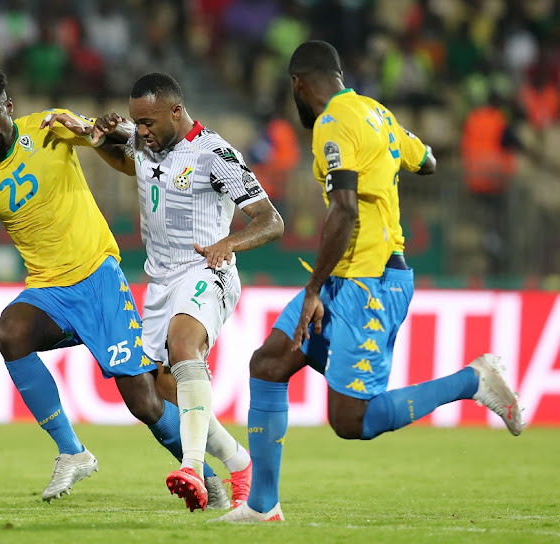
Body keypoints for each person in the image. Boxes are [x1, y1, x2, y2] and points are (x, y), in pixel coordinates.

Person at [213, 41, 523, 523]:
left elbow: (344, 208)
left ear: (298, 84)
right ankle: (261, 505)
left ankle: (474, 380)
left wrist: (313, 291)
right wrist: (389, 151)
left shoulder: (333, 124)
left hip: (370, 282)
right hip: (347, 275)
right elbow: (429, 161)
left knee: (350, 422)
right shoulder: (376, 113)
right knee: (269, 363)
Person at [0, 66, 229, 506]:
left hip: (98, 277)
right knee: (10, 331)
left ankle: (206, 478)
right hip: (48, 291)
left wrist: (109, 130)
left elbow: (109, 142)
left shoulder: (49, 127)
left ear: (9, 108)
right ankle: (72, 452)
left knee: (145, 405)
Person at [57, 72, 284, 511]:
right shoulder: (147, 145)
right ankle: (241, 464)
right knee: (163, 385)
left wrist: (228, 243)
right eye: (136, 122)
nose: (141, 131)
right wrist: (95, 135)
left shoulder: (215, 154)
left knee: (184, 349)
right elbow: (129, 162)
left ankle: (192, 468)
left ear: (176, 111)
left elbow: (271, 220)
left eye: (148, 122)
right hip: (160, 281)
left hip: (205, 270)